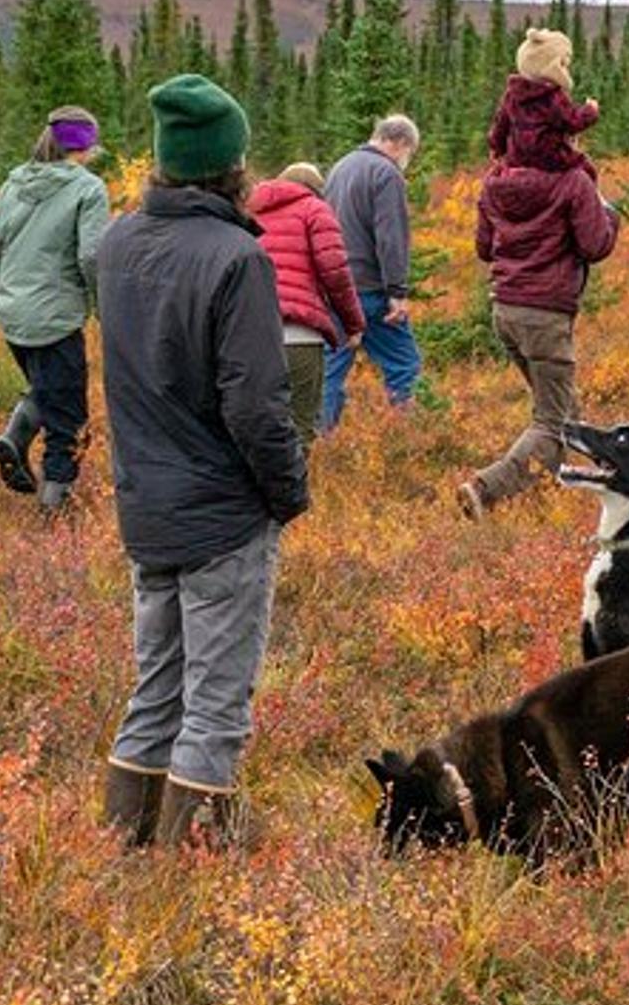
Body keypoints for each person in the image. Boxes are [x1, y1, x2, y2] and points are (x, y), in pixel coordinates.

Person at [95, 74, 308, 850]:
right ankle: (188, 871)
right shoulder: (236, 258)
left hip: (146, 508)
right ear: (231, 164)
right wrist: (288, 490)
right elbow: (255, 403)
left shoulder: (116, 243)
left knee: (156, 688)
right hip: (222, 515)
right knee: (216, 701)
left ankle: (122, 850)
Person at [455, 126, 620, 520]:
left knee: (566, 409)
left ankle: (557, 494)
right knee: (554, 421)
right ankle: (485, 489)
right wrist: (609, 216)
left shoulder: (496, 180)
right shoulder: (573, 181)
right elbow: (595, 245)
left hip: (505, 310)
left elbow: (484, 247)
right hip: (545, 314)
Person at [0, 105, 111, 513]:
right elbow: (91, 255)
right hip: (55, 316)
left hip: (14, 313)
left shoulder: (14, 182)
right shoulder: (89, 189)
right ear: (86, 145)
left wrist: (3, 296)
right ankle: (55, 509)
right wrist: (101, 303)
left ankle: (15, 438)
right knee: (68, 417)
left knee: (48, 387)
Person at [249, 163, 365, 447]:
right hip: (299, 336)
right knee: (299, 428)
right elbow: (335, 272)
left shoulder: (247, 209)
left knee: (254, 426)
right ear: (316, 189)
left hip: (249, 336)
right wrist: (353, 324)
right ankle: (295, 477)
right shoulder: (315, 209)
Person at [320, 116, 422, 429]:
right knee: (404, 363)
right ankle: (412, 439)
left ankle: (319, 440)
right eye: (410, 152)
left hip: (335, 286)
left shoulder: (341, 167)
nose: (407, 160)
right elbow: (390, 237)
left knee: (330, 370)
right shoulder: (386, 173)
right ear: (400, 143)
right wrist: (397, 291)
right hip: (370, 291)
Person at [488, 27, 600, 180]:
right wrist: (590, 110)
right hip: (552, 160)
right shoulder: (553, 96)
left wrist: (497, 147)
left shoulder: (512, 94)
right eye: (564, 64)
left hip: (517, 159)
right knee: (586, 169)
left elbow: (501, 126)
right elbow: (572, 121)